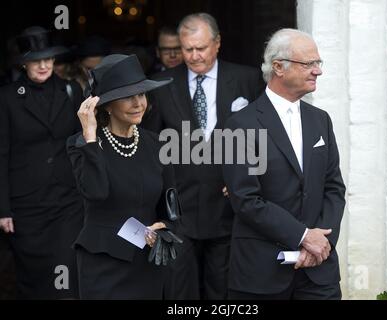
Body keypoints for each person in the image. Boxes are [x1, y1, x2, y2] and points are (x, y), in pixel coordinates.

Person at [142, 13, 265, 299]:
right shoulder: (160, 84)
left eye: (201, 48)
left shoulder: (247, 79)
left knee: (222, 289)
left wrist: (248, 175)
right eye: (187, 49)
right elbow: (149, 145)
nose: (194, 56)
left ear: (217, 43)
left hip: (228, 206)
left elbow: (262, 136)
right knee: (179, 290)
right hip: (177, 210)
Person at [222, 28, 346, 300]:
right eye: (309, 64)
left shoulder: (320, 120)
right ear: (278, 67)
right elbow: (245, 199)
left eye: (318, 63)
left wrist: (320, 243)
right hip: (261, 273)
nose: (318, 71)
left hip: (318, 271)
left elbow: (334, 188)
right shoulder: (240, 125)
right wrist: (303, 236)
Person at [66, 54, 179, 299]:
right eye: (128, 96)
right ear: (107, 104)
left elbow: (171, 207)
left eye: (142, 94)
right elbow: (96, 192)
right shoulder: (82, 145)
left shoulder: (157, 144)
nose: (139, 103)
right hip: (103, 265)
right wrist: (90, 138)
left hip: (147, 264)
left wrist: (166, 227)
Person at [0, 26, 84, 299]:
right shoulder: (7, 98)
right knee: (33, 280)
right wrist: (3, 209)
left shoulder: (70, 90)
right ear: (24, 63)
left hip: (67, 202)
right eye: (36, 59)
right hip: (26, 206)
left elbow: (83, 142)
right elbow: (1, 153)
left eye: (48, 58)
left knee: (65, 272)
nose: (44, 65)